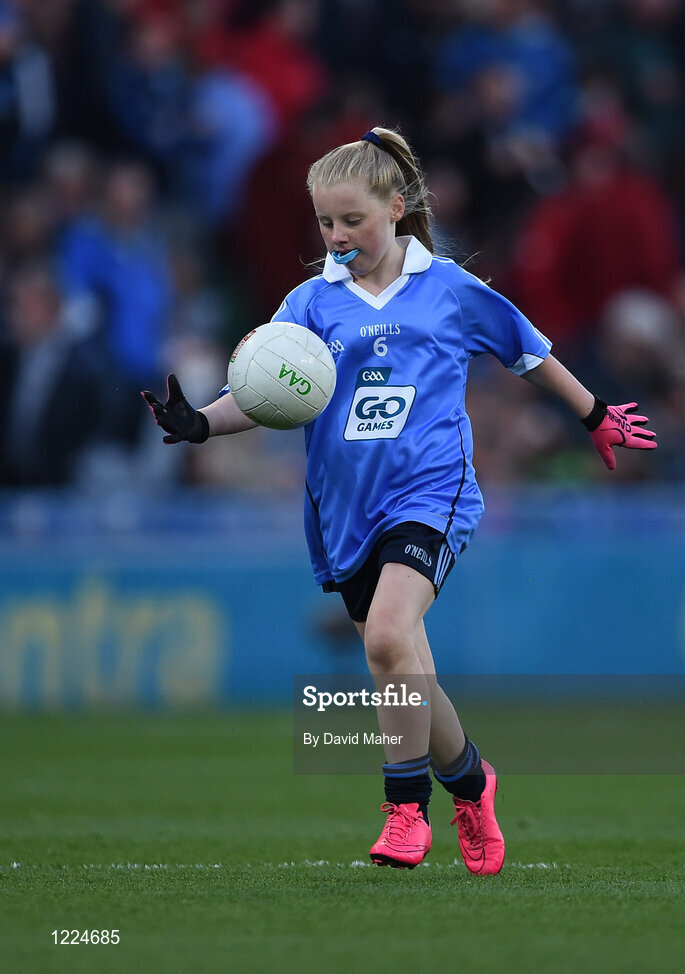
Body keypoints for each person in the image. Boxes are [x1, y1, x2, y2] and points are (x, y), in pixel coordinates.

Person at [142, 127, 657, 874]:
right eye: (325, 222)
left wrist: (593, 415)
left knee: (385, 636)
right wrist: (201, 424)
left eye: (351, 219)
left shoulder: (447, 288)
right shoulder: (311, 302)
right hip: (344, 507)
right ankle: (473, 783)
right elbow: (262, 392)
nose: (338, 235)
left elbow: (528, 350)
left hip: (430, 491)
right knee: (406, 668)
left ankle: (403, 812)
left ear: (395, 206)